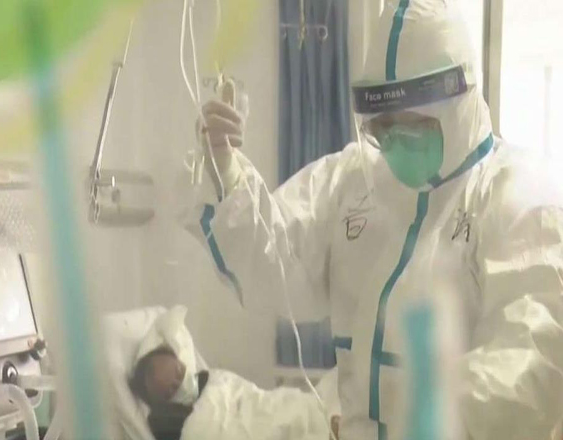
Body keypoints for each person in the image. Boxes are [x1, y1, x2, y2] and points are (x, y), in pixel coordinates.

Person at [182, 0, 563, 439]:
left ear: (458, 102)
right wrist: (226, 169)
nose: (394, 141)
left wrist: (432, 420)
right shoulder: (352, 180)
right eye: (383, 128)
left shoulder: (519, 198)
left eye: (412, 125)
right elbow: (277, 266)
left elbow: (533, 356)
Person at [128, 346, 210, 440]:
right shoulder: (166, 424)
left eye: (179, 373)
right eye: (171, 391)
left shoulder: (209, 379)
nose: (181, 385)